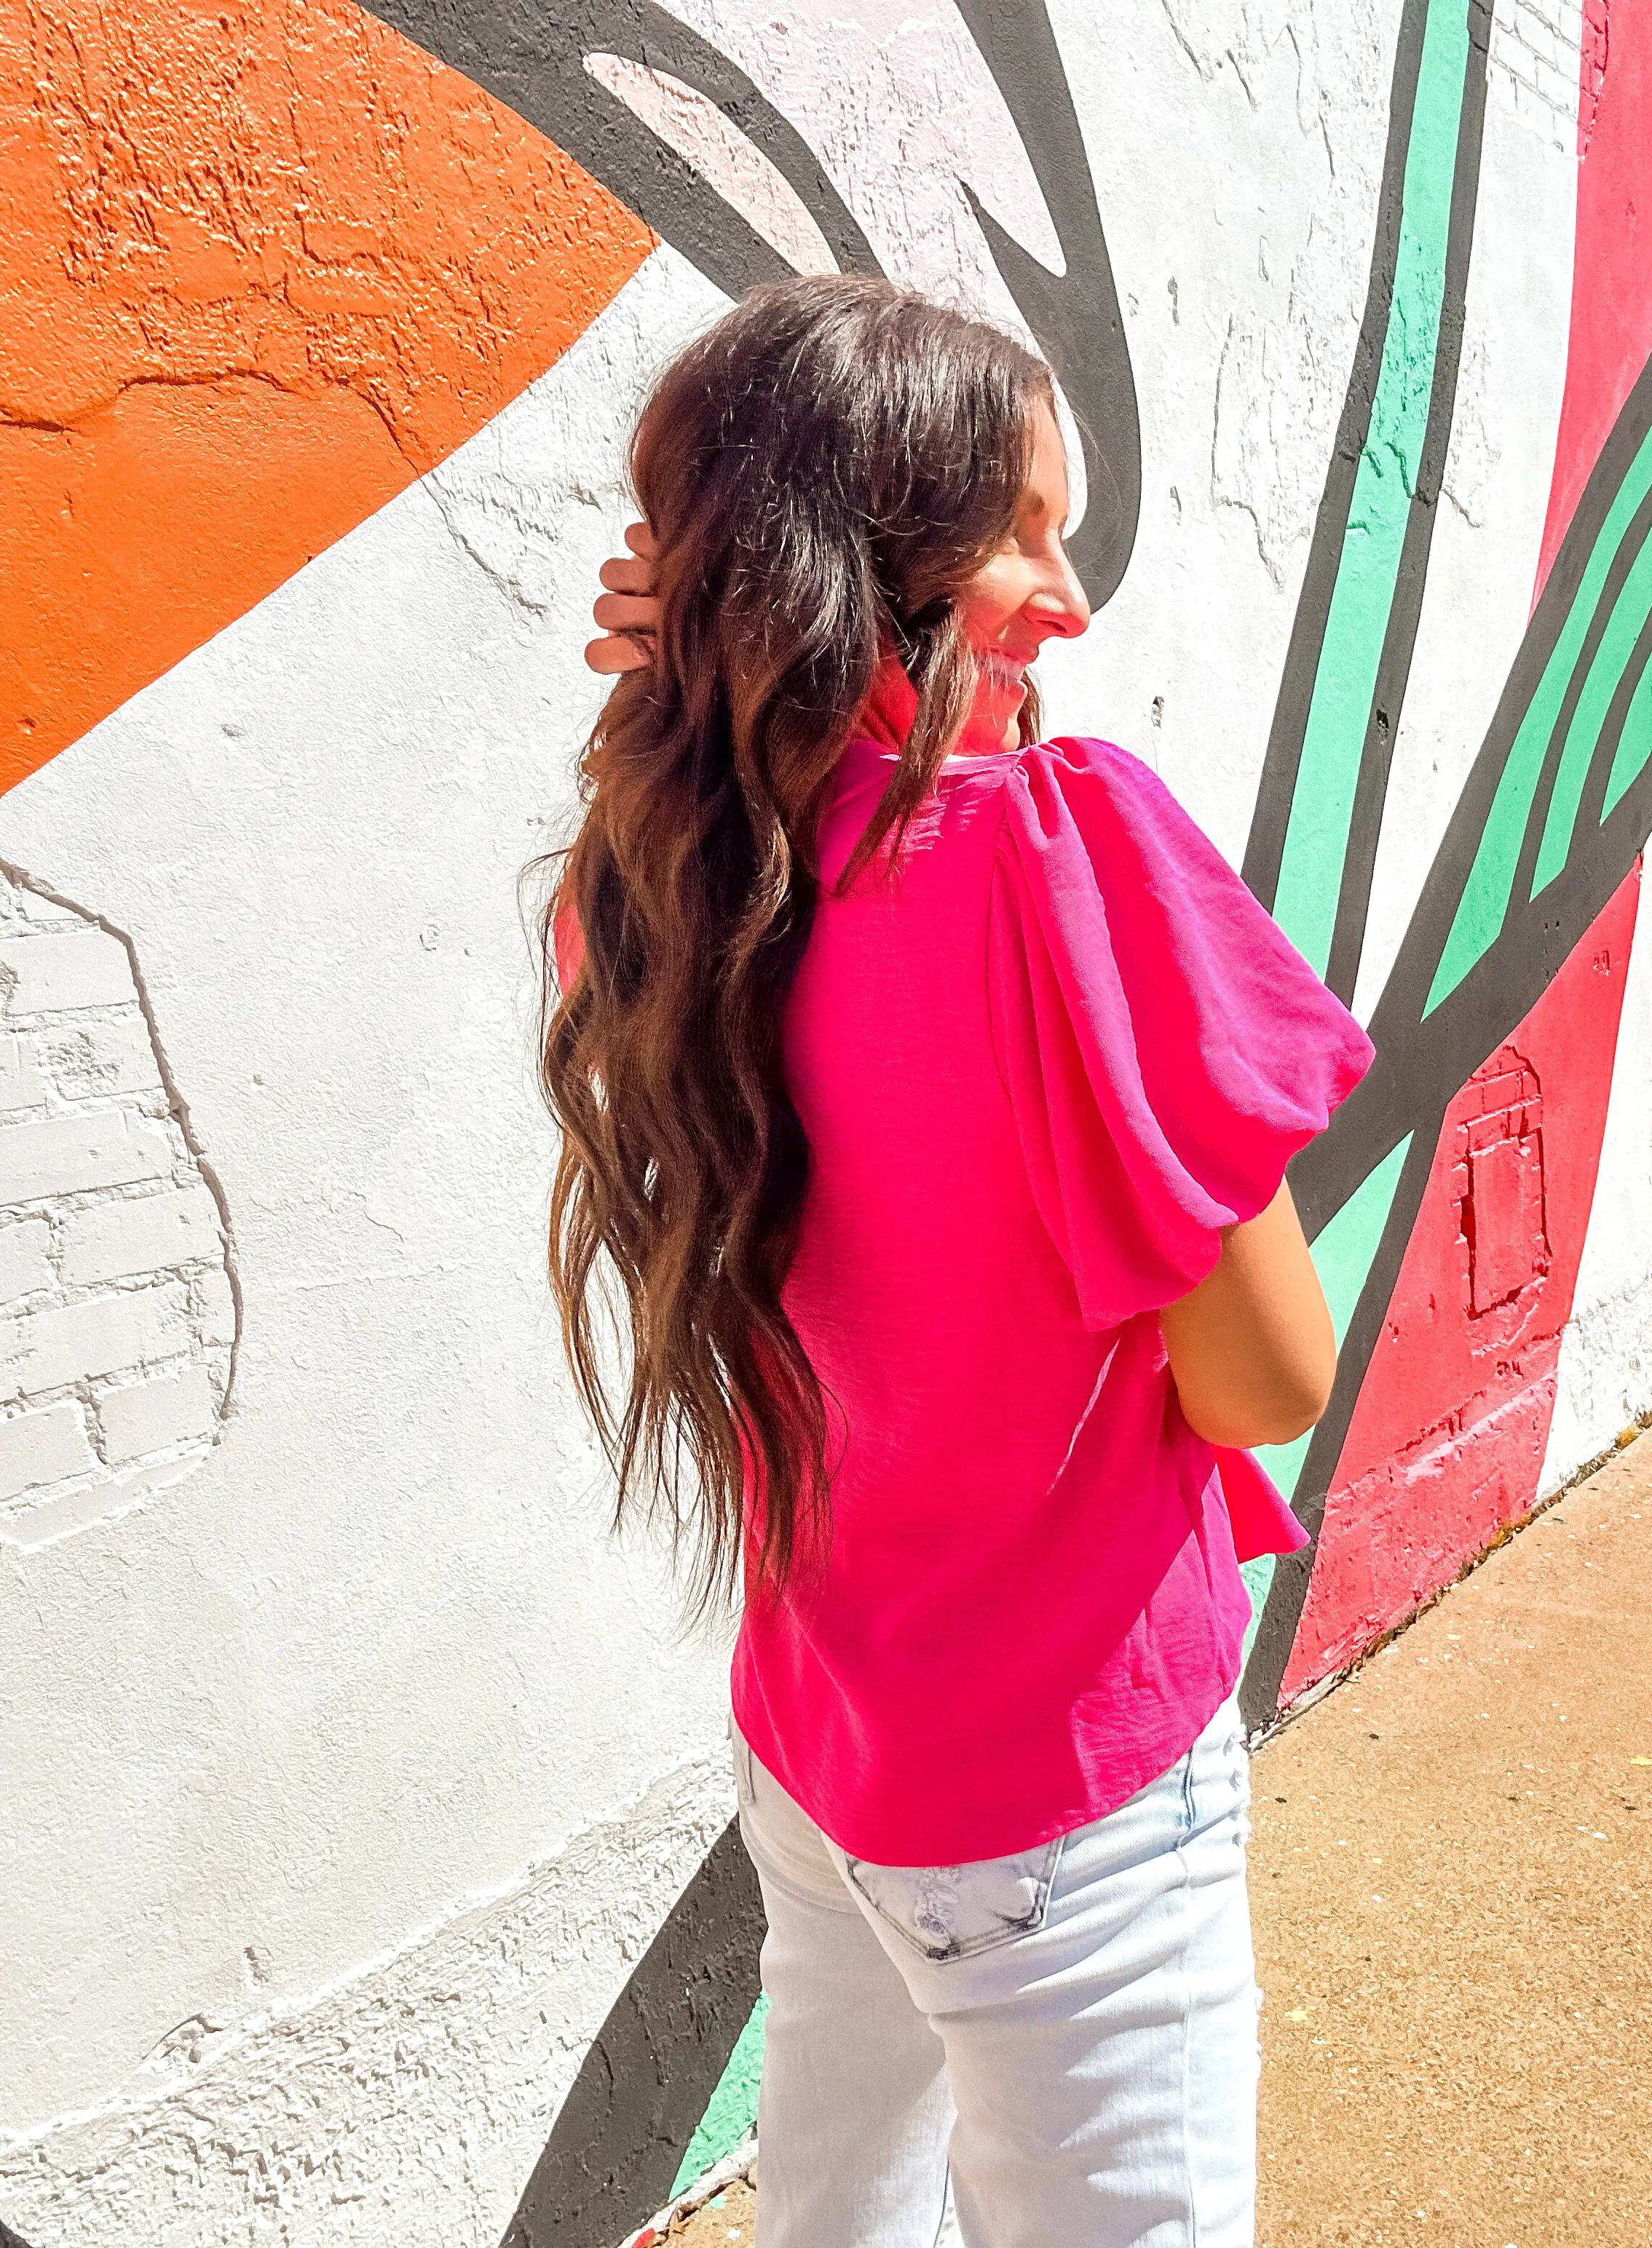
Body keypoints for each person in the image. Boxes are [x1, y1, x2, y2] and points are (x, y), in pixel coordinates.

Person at [542, 274, 1373, 2248]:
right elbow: (1267, 1380)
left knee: (836, 2208)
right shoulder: (1056, 860)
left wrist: (679, 692)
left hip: (828, 1746)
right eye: (1023, 536)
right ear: (855, 570)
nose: (1066, 599)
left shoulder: (643, 890)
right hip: (1060, 1780)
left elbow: (783, 831)